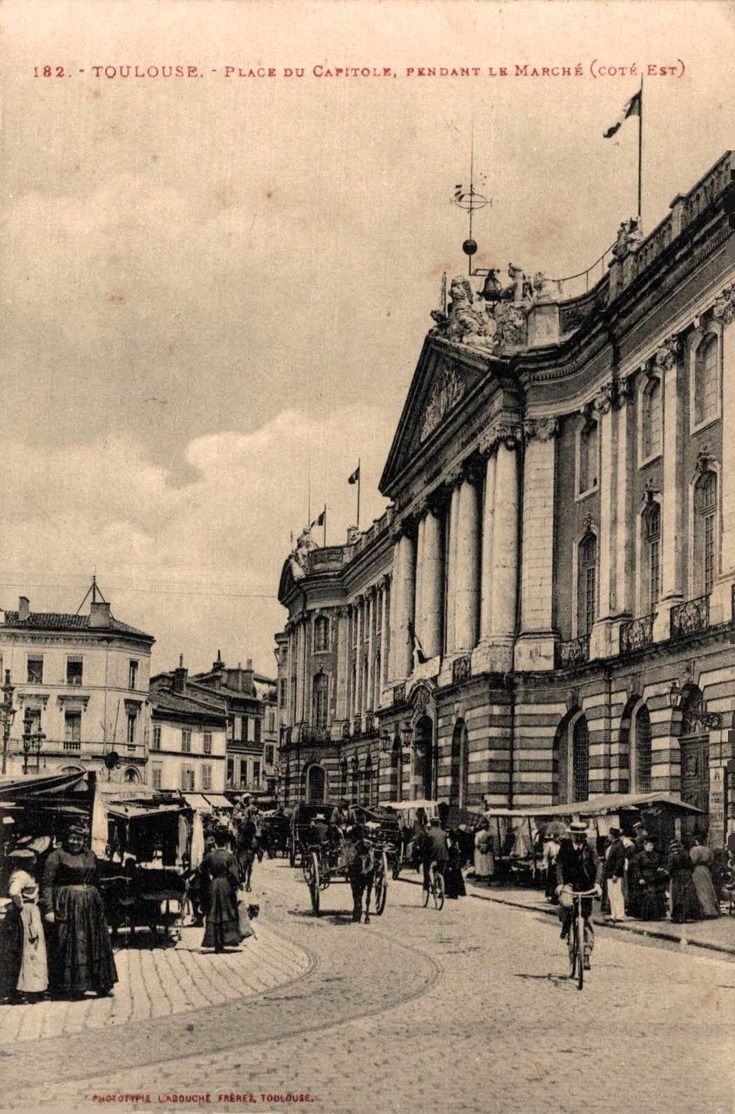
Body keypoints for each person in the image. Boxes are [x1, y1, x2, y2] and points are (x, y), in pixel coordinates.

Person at [41, 822, 117, 999]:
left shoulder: (90, 855)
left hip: (90, 906)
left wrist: (98, 901)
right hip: (67, 904)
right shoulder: (56, 856)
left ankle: (101, 984)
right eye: (72, 838)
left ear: (84, 840)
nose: (75, 842)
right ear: (66, 839)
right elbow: (46, 884)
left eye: (79, 839)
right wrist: (49, 909)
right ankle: (72, 987)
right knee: (71, 943)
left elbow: (96, 879)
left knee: (95, 942)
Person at [0, 849, 48, 1003]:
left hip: (31, 911)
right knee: (28, 949)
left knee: (34, 948)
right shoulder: (20, 875)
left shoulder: (27, 874)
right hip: (26, 913)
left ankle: (34, 988)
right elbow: (14, 892)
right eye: (30, 859)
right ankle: (25, 989)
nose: (34, 861)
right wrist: (21, 905)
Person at [554, 821, 602, 971]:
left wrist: (597, 884)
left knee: (586, 919)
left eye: (582, 835)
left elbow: (598, 865)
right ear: (571, 835)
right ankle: (566, 924)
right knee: (566, 904)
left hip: (586, 885)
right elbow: (559, 866)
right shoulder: (565, 846)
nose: (580, 838)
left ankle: (586, 954)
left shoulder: (590, 847)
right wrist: (561, 884)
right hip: (570, 884)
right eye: (577, 835)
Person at [200, 827, 242, 952]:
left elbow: (202, 870)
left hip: (213, 885)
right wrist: (236, 887)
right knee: (226, 912)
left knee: (213, 913)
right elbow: (234, 875)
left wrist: (208, 882)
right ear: (227, 843)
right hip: (226, 886)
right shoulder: (230, 857)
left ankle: (215, 942)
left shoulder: (209, 856)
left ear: (215, 842)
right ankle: (226, 940)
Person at [633, 837, 668, 921]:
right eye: (649, 845)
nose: (651, 847)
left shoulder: (656, 855)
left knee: (657, 894)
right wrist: (640, 878)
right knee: (648, 895)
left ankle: (657, 915)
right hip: (645, 878)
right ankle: (647, 915)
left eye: (652, 845)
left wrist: (660, 869)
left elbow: (660, 864)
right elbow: (636, 868)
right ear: (645, 846)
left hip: (655, 877)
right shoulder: (640, 855)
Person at [667, 840, 702, 924]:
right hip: (687, 876)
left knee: (677, 896)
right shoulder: (686, 854)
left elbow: (670, 868)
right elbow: (692, 866)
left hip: (677, 877)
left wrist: (670, 875)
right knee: (687, 895)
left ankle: (677, 916)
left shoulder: (672, 856)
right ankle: (687, 916)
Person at [689, 835, 720, 918]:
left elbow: (692, 860)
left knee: (699, 890)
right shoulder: (708, 850)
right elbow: (711, 861)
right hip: (706, 870)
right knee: (708, 889)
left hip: (697, 870)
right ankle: (712, 910)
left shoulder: (694, 849)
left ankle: (704, 911)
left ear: (696, 841)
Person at [419, 817, 449, 894]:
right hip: (443, 855)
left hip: (432, 855)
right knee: (440, 871)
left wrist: (421, 855)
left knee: (426, 868)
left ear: (431, 824)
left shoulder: (428, 833)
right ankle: (439, 885)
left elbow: (424, 846)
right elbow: (447, 845)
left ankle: (426, 885)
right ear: (439, 824)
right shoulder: (444, 833)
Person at [603, 827, 627, 923]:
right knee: (612, 895)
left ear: (612, 835)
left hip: (614, 874)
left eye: (609, 834)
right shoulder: (614, 845)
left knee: (617, 894)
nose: (608, 836)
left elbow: (620, 861)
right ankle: (614, 914)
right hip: (610, 874)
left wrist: (616, 874)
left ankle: (620, 915)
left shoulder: (619, 846)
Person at [444, 831, 466, 899]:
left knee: (452, 878)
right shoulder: (455, 844)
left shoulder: (452, 846)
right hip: (455, 863)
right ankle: (458, 892)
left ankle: (453, 893)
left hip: (453, 863)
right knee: (456, 877)